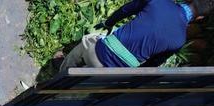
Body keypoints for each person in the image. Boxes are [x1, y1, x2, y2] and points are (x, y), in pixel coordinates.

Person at [59, 0, 212, 72]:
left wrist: (108, 23)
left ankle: (62, 72)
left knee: (88, 41)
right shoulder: (179, 40)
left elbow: (125, 10)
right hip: (111, 75)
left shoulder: (159, 2)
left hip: (96, 53)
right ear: (199, 18)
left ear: (188, 0)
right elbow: (151, 64)